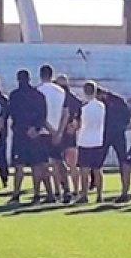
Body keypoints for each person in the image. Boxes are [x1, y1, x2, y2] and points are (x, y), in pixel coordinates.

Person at [8, 69, 48, 204]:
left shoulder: (14, 95)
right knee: (36, 165)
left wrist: (21, 128)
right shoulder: (38, 95)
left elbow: (12, 113)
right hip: (34, 135)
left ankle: (16, 194)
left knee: (19, 166)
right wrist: (36, 128)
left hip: (20, 134)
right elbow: (43, 114)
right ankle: (36, 194)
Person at [38, 64, 69, 202]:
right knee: (59, 161)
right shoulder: (61, 91)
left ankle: (50, 194)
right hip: (58, 131)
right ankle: (67, 190)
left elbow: (40, 116)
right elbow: (66, 113)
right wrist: (59, 132)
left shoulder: (38, 91)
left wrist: (51, 130)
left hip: (43, 132)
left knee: (43, 164)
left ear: (41, 75)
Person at [97, 86, 130, 203]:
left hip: (107, 134)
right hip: (117, 133)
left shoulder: (106, 102)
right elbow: (127, 117)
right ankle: (124, 192)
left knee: (99, 164)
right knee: (123, 162)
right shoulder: (119, 100)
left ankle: (100, 195)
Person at [76, 81, 106, 204]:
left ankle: (84, 195)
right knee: (98, 170)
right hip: (98, 140)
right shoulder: (101, 106)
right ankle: (99, 195)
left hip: (85, 141)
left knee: (84, 170)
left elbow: (78, 124)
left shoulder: (83, 107)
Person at [56, 74, 82, 199]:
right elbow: (79, 119)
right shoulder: (75, 100)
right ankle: (75, 190)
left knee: (57, 164)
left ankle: (59, 190)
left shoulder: (58, 97)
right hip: (70, 134)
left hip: (58, 133)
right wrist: (75, 126)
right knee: (72, 165)